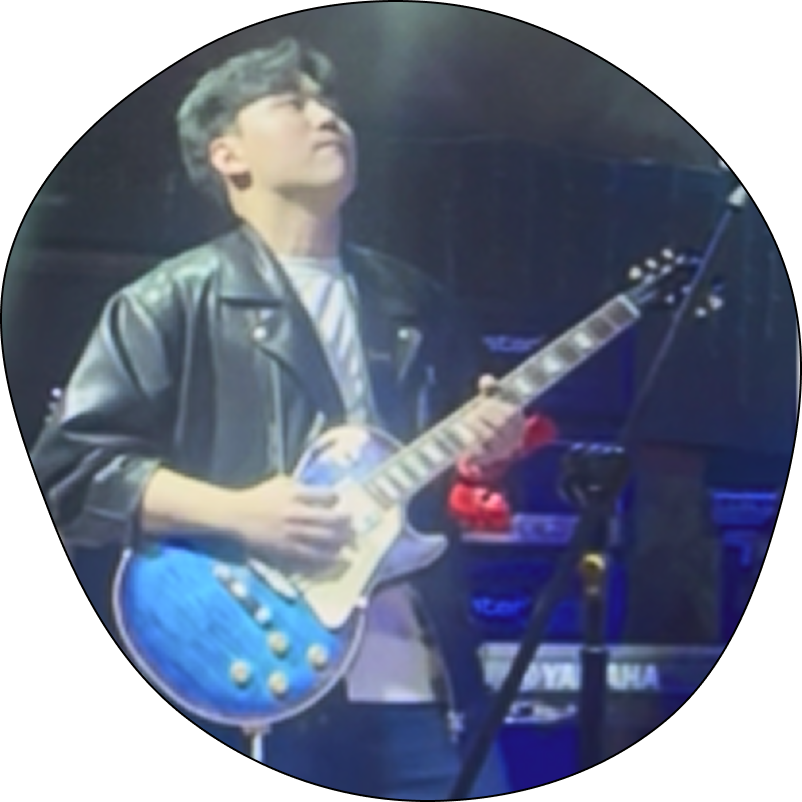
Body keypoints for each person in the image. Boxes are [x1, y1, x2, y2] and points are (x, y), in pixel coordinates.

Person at [31, 38, 552, 798]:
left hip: (418, 673)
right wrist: (241, 513)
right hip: (253, 671)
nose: (327, 117)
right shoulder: (168, 301)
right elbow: (69, 474)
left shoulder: (416, 304)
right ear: (229, 156)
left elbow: (456, 488)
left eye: (331, 104)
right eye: (292, 103)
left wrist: (488, 459)